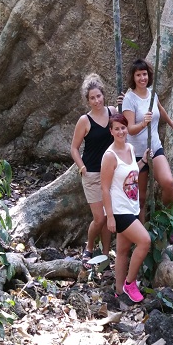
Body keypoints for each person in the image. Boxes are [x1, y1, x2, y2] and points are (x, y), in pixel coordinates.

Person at [121, 59, 173, 221]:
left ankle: (166, 221)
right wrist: (143, 123)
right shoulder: (130, 98)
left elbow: (160, 108)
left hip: (155, 148)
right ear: (133, 77)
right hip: (137, 155)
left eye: (144, 74)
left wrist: (171, 123)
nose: (142, 78)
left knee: (168, 183)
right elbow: (129, 129)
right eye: (138, 75)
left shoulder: (152, 94)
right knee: (140, 198)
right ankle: (142, 236)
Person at [101, 113, 152, 303]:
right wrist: (110, 217)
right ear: (111, 131)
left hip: (131, 207)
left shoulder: (130, 148)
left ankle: (119, 292)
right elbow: (104, 188)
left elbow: (132, 173)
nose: (121, 131)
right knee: (144, 241)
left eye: (123, 127)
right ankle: (130, 284)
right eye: (117, 128)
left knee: (122, 251)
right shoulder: (109, 156)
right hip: (120, 211)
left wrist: (144, 161)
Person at [70, 73, 118, 268]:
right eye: (92, 98)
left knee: (108, 217)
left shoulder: (113, 111)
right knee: (99, 218)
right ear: (87, 100)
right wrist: (82, 168)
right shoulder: (85, 120)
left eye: (99, 96)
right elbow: (74, 148)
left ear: (103, 95)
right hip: (92, 174)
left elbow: (122, 133)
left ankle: (105, 254)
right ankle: (89, 248)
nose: (96, 100)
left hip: (112, 174)